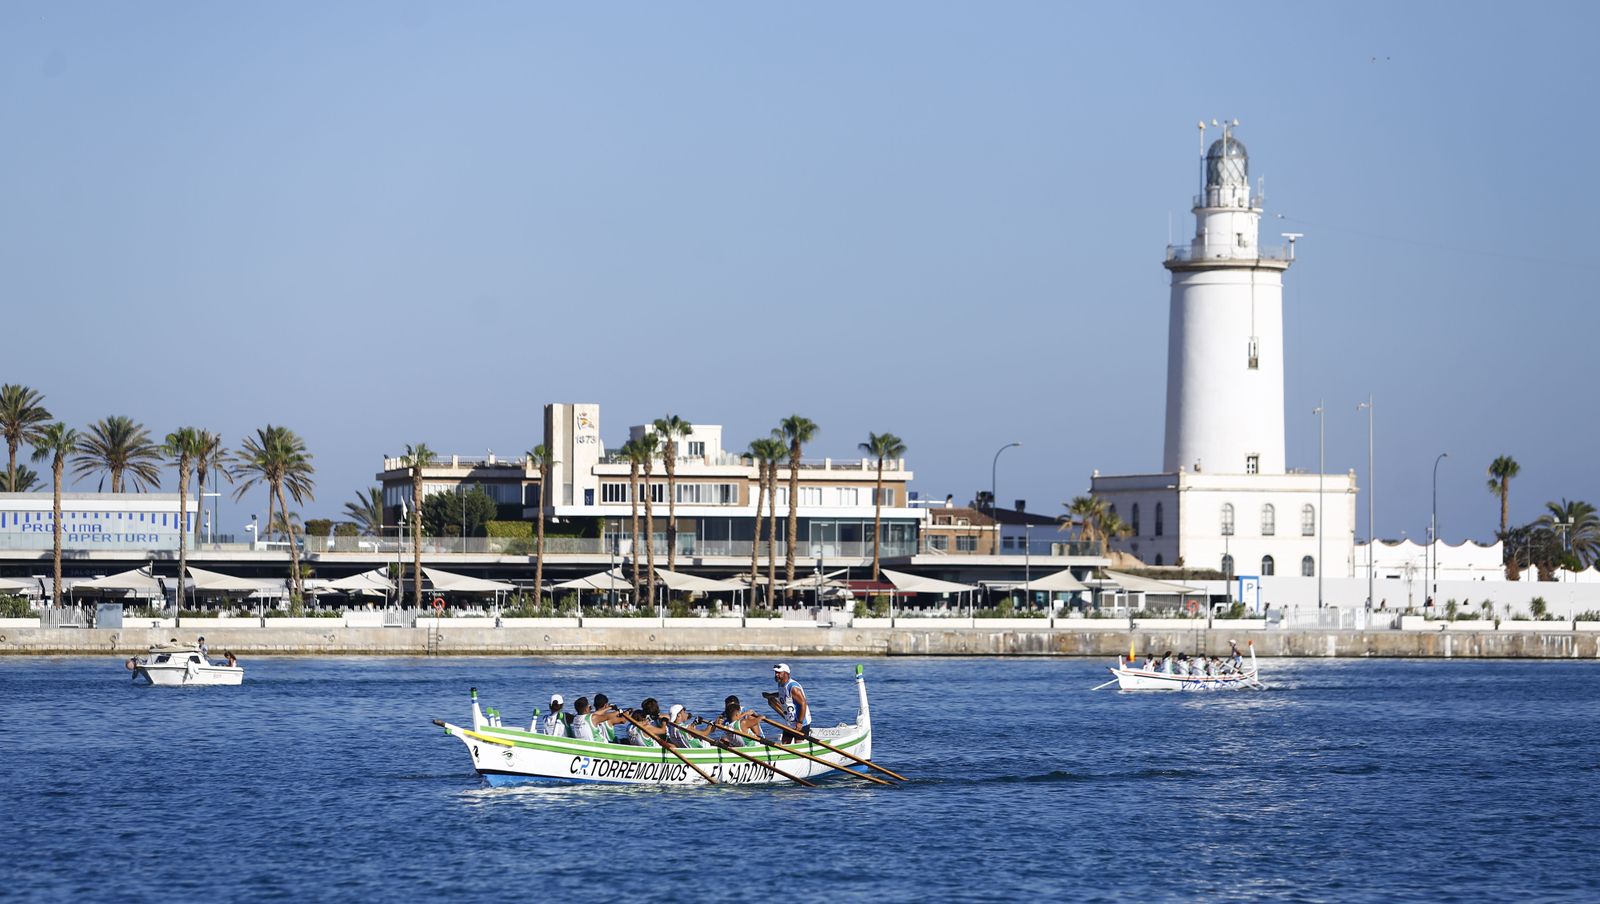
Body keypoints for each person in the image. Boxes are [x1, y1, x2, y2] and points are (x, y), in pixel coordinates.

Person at [763, 663, 811, 741]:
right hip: (790, 722)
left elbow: (803, 703)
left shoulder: (793, 688)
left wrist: (800, 722)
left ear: (786, 673)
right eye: (775, 673)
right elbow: (783, 694)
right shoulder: (780, 684)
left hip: (801, 722)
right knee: (785, 743)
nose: (776, 675)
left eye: (779, 673)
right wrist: (770, 695)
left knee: (798, 745)